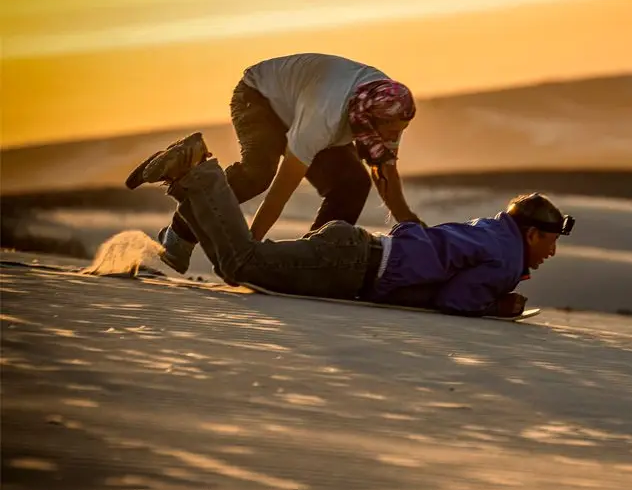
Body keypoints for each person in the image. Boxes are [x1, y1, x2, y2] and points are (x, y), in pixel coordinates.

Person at [125, 132, 574, 317]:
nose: (552, 252)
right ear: (532, 233)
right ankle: (198, 169)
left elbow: (425, 246)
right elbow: (455, 300)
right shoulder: (505, 257)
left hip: (355, 252)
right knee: (243, 263)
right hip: (351, 264)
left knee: (237, 266)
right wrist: (498, 306)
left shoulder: (490, 231)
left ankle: (189, 177)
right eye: (551, 241)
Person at [126, 52, 422, 275]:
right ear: (369, 116)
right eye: (392, 130)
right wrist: (247, 255)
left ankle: (313, 263)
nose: (395, 136)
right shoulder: (324, 117)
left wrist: (413, 227)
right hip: (259, 96)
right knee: (259, 173)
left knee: (353, 183)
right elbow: (281, 191)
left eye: (401, 130)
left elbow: (385, 173)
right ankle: (178, 232)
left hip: (301, 102)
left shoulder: (387, 109)